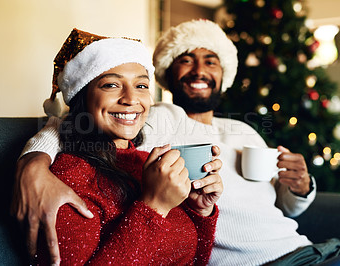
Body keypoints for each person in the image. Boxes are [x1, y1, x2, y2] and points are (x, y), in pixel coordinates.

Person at [13, 20, 340, 265]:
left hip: (317, 249)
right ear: (167, 72)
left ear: (224, 75)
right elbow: (71, 123)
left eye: (211, 61)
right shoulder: (154, 119)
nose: (199, 69)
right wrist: (33, 164)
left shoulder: (244, 129)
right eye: (186, 59)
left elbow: (280, 206)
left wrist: (299, 188)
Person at [27, 28, 223, 265]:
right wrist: (154, 207)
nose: (131, 99)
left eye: (141, 86)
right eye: (111, 85)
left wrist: (200, 211)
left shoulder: (145, 162)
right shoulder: (69, 180)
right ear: (82, 97)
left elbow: (193, 260)